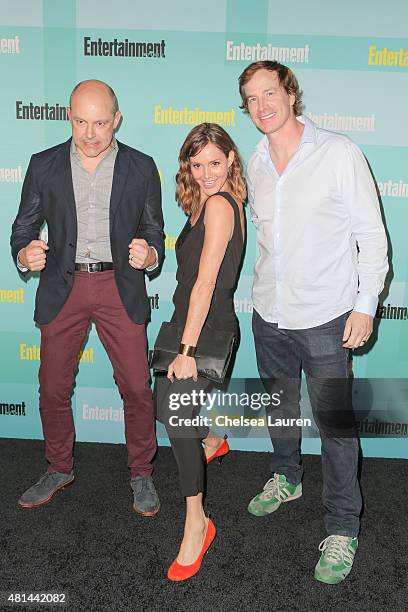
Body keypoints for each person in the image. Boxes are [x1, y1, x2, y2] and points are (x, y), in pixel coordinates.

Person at [239, 61, 388, 584]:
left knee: (336, 429)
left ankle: (343, 527)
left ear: (290, 93)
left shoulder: (339, 152)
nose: (263, 105)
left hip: (326, 315)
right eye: (252, 97)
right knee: (280, 409)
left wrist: (366, 303)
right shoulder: (253, 163)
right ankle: (286, 477)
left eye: (270, 92)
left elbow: (372, 235)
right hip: (268, 313)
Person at [10, 80, 164, 516]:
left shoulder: (141, 166)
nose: (90, 132)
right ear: (68, 117)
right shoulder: (43, 165)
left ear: (116, 119)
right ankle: (58, 467)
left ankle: (141, 474)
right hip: (64, 286)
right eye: (81, 121)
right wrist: (24, 252)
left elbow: (154, 229)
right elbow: (23, 228)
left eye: (100, 122)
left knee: (136, 387)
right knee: (52, 387)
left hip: (120, 287)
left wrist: (150, 252)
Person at [154, 123, 246, 581]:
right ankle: (213, 440)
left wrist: (187, 349)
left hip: (204, 330)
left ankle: (197, 523)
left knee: (175, 412)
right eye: (197, 163)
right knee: (168, 407)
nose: (207, 172)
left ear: (231, 158)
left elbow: (207, 281)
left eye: (215, 162)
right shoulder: (204, 202)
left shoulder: (221, 205)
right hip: (183, 320)